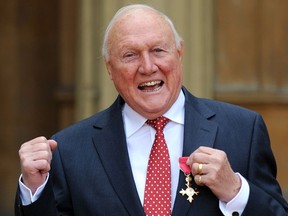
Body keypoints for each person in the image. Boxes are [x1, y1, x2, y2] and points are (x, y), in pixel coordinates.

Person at [15, 4, 288, 216]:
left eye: (158, 50)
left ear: (179, 54)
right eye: (130, 55)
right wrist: (35, 189)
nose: (147, 67)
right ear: (110, 68)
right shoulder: (69, 149)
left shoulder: (243, 129)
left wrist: (236, 192)